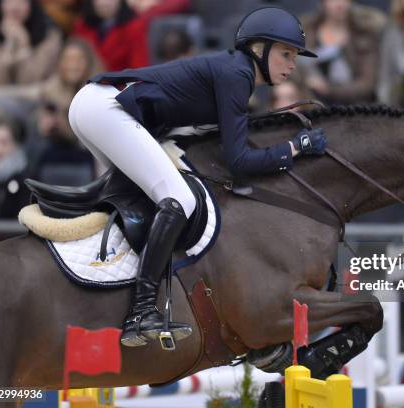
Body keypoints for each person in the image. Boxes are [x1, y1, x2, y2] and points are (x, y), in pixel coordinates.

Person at [68, 7, 327, 348]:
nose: (293, 65)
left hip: (96, 107)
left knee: (151, 198)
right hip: (106, 109)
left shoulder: (232, 72)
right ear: (259, 49)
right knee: (180, 199)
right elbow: (240, 161)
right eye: (287, 54)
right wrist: (294, 148)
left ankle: (110, 284)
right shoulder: (237, 75)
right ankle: (142, 310)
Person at [299, 0, 386, 104]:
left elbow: (368, 83)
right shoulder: (306, 31)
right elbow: (293, 70)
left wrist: (328, 89)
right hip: (311, 104)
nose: (339, 4)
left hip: (354, 107)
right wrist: (308, 83)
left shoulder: (364, 35)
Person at [71, 0, 190, 71]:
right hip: (84, 87)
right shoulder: (82, 25)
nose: (105, 2)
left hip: (117, 89)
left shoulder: (133, 27)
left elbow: (138, 68)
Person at [0, 0, 62, 86]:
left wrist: (24, 44)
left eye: (22, 1)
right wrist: (9, 44)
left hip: (37, 96)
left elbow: (30, 81)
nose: (15, 8)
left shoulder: (50, 35)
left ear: (32, 5)